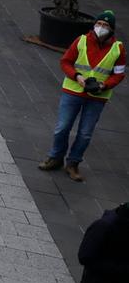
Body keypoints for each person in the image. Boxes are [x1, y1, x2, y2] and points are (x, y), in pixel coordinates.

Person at [40, 11, 124, 183]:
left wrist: (104, 85)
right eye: (99, 23)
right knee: (62, 128)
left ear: (112, 29)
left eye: (106, 25)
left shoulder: (118, 49)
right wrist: (77, 76)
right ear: (94, 25)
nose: (101, 27)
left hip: (97, 97)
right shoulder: (82, 41)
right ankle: (55, 157)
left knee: (85, 133)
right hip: (73, 90)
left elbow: (119, 74)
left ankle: (73, 163)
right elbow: (65, 62)